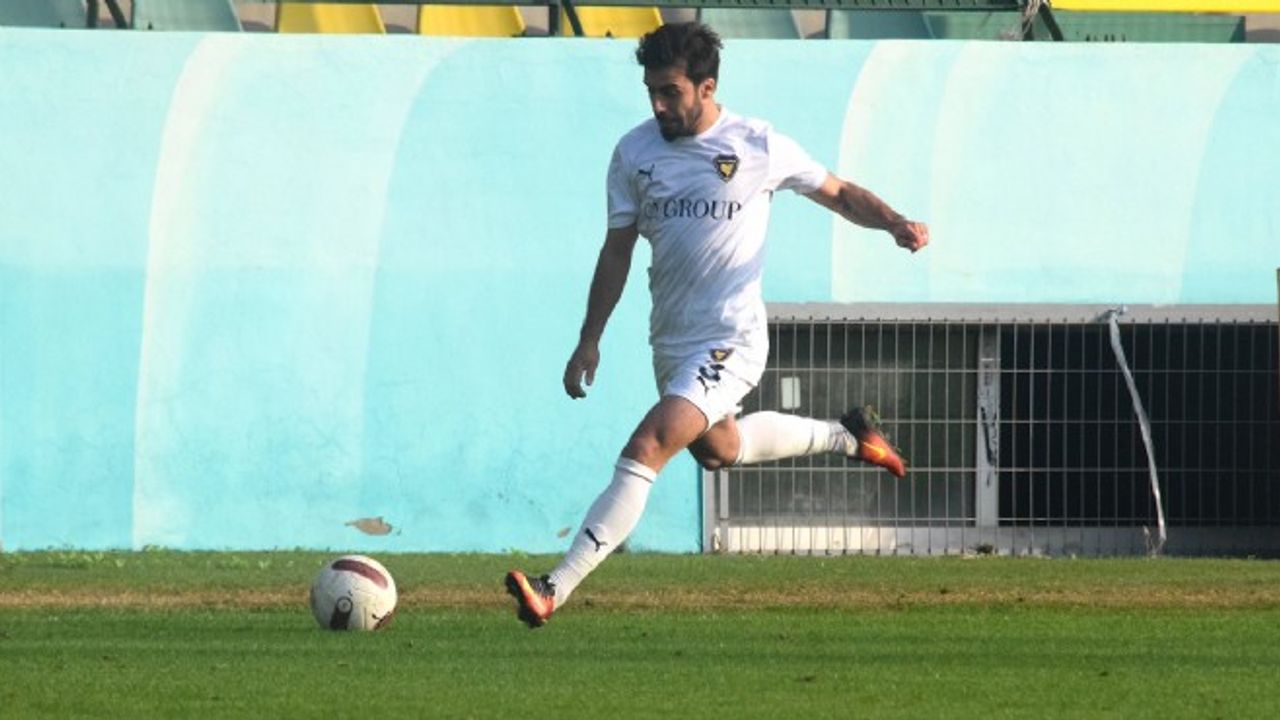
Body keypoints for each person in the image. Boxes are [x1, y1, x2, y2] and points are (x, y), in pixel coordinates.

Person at [506, 22, 929, 629]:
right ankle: (848, 437)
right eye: (651, 91)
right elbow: (617, 250)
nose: (658, 105)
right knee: (719, 450)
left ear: (707, 88)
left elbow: (838, 193)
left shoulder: (757, 144)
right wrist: (589, 338)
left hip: (732, 338)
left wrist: (894, 222)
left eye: (670, 92)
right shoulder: (633, 153)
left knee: (648, 446)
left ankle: (555, 586)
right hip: (671, 340)